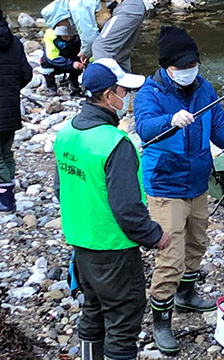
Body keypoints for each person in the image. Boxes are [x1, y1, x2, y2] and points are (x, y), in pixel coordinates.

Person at [134, 25, 224, 355]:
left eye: (194, 65)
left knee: (197, 243)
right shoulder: (150, 93)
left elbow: (218, 127)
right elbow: (145, 128)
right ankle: (161, 320)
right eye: (183, 67)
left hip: (197, 183)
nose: (190, 71)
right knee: (170, 257)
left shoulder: (204, 89)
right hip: (165, 185)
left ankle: (187, 296)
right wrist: (170, 121)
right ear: (167, 68)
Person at [54, 58, 171, 360]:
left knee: (92, 312)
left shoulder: (66, 132)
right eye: (124, 91)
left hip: (81, 246)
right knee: (122, 322)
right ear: (108, 96)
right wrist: (154, 235)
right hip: (114, 250)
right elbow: (127, 209)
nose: (128, 99)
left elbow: (60, 189)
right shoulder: (115, 143)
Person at [0, 0, 32, 212]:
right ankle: (9, 196)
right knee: (6, 153)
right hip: (10, 108)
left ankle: (5, 201)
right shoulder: (14, 41)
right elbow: (27, 74)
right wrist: (10, 91)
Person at [66, 0, 152, 70]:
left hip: (126, 8)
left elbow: (90, 39)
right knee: (120, 54)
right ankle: (124, 88)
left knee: (101, 47)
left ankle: (104, 89)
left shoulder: (76, 4)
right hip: (135, 6)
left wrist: (85, 52)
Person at [40, 22, 83, 96]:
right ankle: (51, 87)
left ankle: (74, 83)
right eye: (65, 37)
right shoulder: (51, 35)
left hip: (73, 55)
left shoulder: (80, 33)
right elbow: (52, 57)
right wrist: (72, 64)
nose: (69, 38)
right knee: (45, 63)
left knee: (81, 62)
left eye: (71, 36)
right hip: (57, 61)